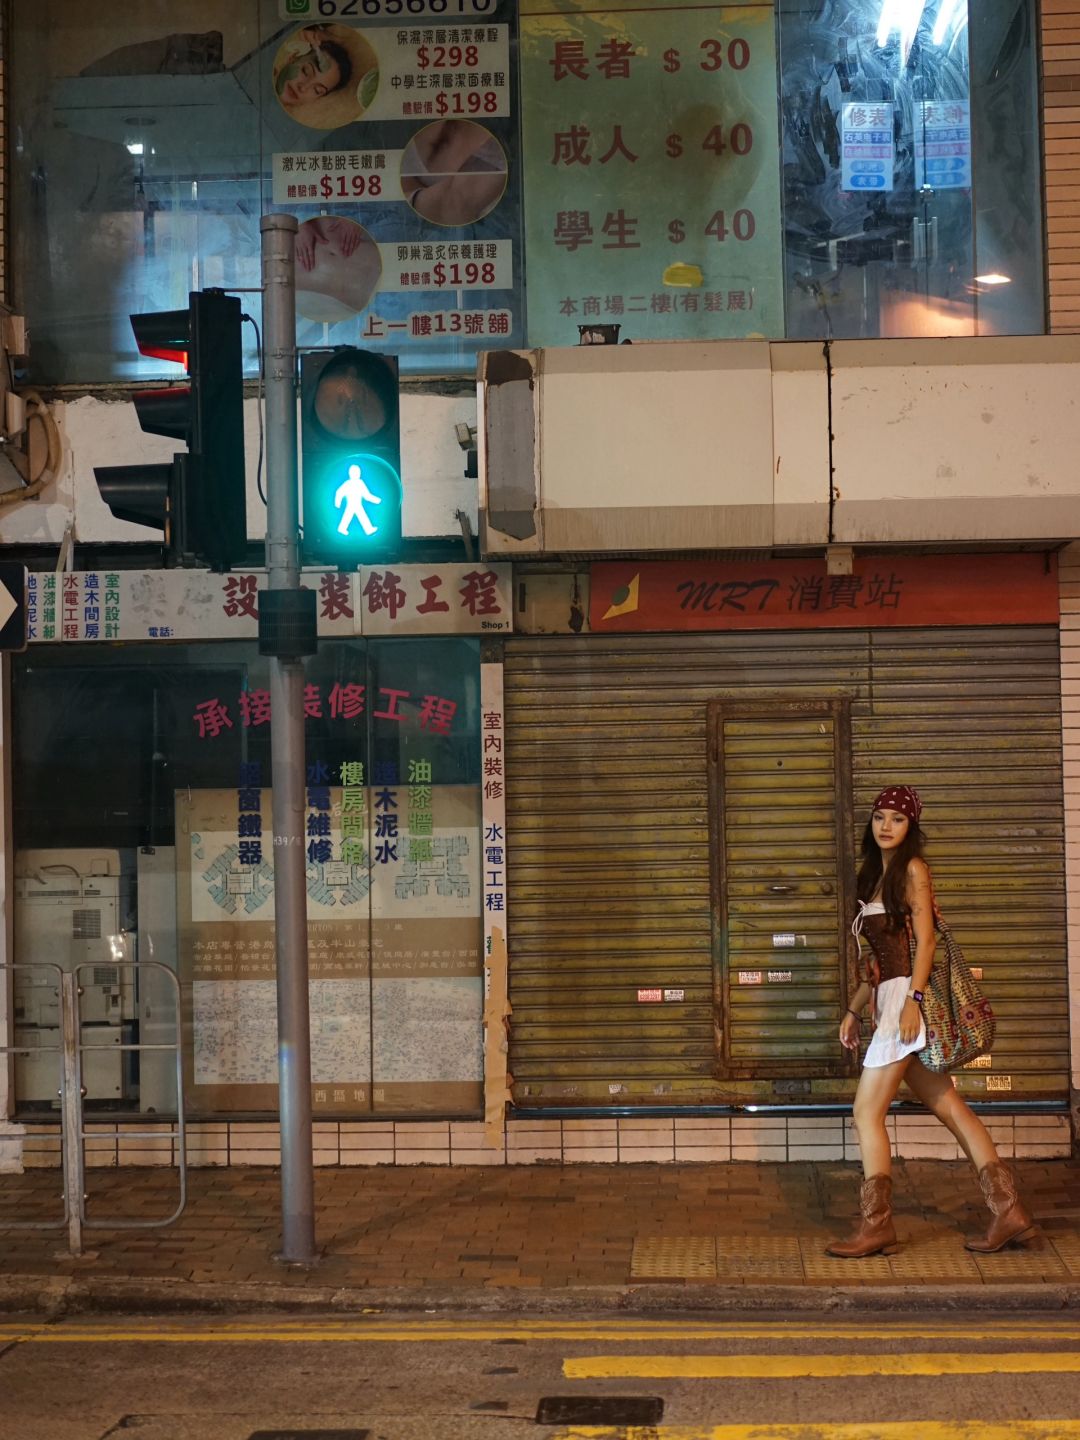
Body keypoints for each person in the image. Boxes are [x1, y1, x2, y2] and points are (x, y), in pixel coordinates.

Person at [826, 784, 1037, 1259]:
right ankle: (1009, 1212)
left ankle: (877, 1227)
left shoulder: (913, 871)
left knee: (865, 1113)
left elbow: (925, 944)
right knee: (949, 1106)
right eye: (880, 817)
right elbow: (878, 963)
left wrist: (914, 1001)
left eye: (897, 819)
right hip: (889, 1000)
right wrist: (855, 1007)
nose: (886, 826)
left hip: (905, 1005)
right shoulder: (872, 879)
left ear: (911, 827)